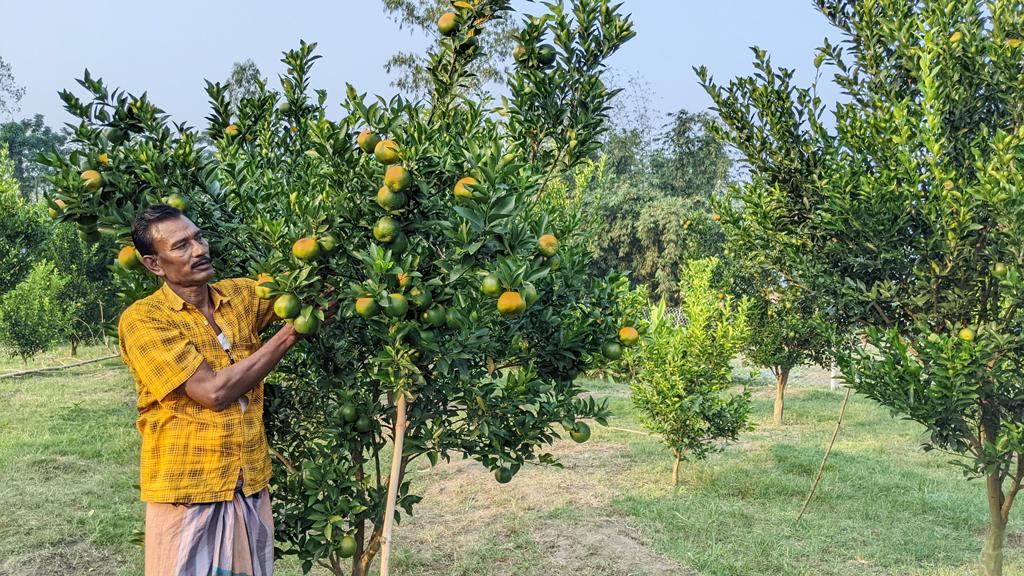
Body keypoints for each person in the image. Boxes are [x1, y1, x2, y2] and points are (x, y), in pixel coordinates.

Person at [118, 204, 303, 575]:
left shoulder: (240, 297)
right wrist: (291, 334)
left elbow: (300, 289)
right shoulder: (144, 321)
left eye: (199, 237)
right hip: (189, 491)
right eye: (182, 246)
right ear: (155, 264)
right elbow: (213, 392)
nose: (199, 249)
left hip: (248, 483)